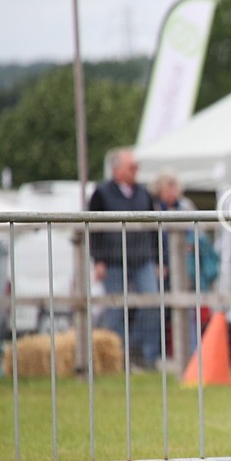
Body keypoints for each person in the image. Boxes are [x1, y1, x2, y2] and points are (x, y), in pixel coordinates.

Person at [89, 148, 161, 368]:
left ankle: (144, 355)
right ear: (117, 170)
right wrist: (98, 259)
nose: (135, 171)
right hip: (113, 260)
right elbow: (93, 227)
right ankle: (117, 359)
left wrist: (157, 259)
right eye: (131, 167)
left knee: (152, 303)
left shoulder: (143, 193)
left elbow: (153, 227)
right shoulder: (101, 193)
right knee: (116, 309)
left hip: (142, 258)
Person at [152, 172, 217, 361]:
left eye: (174, 188)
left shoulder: (186, 205)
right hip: (164, 266)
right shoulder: (153, 207)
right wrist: (160, 262)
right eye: (168, 188)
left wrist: (193, 244)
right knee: (161, 311)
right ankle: (161, 353)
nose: (172, 192)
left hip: (187, 267)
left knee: (190, 310)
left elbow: (200, 234)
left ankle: (194, 354)